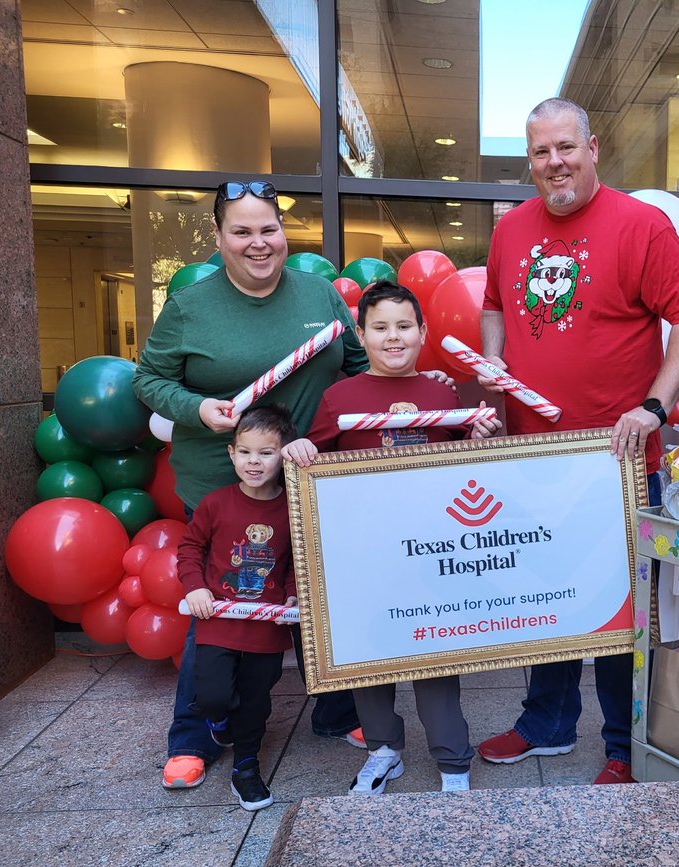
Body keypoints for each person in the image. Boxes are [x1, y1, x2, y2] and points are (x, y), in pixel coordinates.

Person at [476, 97, 679, 784]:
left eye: (566, 147)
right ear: (530, 160)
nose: (555, 162)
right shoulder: (511, 229)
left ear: (593, 147)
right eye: (541, 151)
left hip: (616, 460)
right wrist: (493, 363)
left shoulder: (640, 225)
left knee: (617, 606)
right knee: (544, 595)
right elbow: (493, 304)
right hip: (533, 455)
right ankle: (545, 724)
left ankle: (621, 744)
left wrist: (654, 406)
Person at [134, 179, 371, 791]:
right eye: (241, 231)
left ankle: (338, 709)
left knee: (319, 599)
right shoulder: (190, 306)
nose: (258, 243)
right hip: (225, 484)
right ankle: (194, 734)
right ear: (219, 237)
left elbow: (357, 368)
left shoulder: (319, 294)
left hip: (310, 479)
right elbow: (150, 380)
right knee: (220, 608)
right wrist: (196, 408)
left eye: (269, 229)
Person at [282, 282, 501, 793]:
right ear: (361, 335)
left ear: (423, 332)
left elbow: (466, 469)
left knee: (436, 655)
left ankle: (453, 760)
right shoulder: (338, 397)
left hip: (432, 556)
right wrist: (298, 451)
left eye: (404, 326)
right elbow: (312, 464)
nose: (393, 337)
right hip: (365, 557)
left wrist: (477, 440)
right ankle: (383, 749)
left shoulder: (443, 394)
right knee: (370, 654)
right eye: (380, 327)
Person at [178, 406, 299, 811]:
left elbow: (296, 560)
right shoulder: (215, 504)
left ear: (283, 454)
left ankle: (246, 768)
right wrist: (195, 588)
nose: (254, 462)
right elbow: (190, 547)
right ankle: (219, 723)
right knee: (213, 695)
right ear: (231, 454)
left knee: (256, 701)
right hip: (218, 621)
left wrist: (292, 594)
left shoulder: (292, 507)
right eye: (245, 452)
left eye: (266, 452)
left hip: (266, 625)